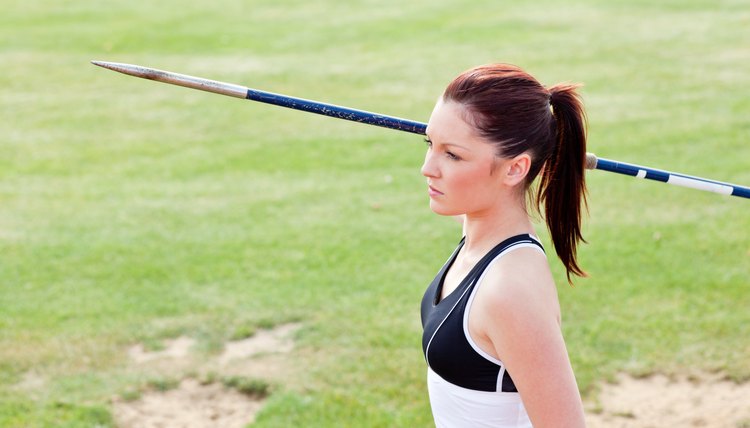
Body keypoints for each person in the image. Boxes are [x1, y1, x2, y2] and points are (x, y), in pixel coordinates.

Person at [420, 63, 588, 427]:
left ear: (515, 169)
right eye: (429, 143)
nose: (427, 168)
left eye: (453, 155)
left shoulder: (509, 291)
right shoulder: (481, 235)